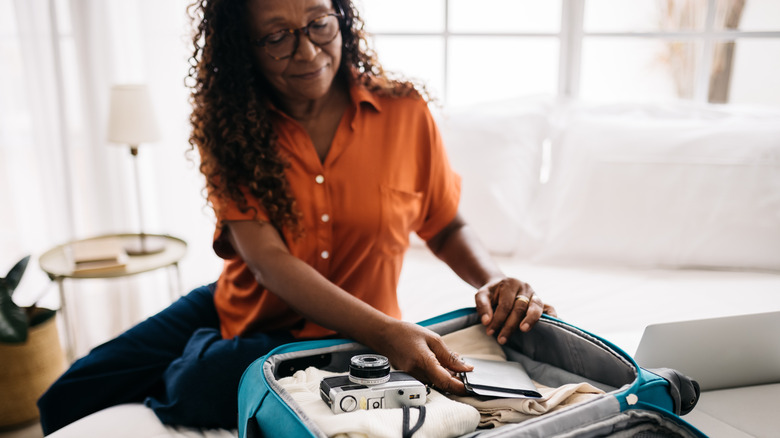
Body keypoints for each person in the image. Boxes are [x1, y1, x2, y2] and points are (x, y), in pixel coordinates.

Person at [37, 0, 556, 433]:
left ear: (341, 19)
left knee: (194, 390)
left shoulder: (404, 111)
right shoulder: (232, 126)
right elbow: (266, 262)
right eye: (277, 37)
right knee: (67, 395)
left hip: (346, 331)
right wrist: (391, 333)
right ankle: (207, 351)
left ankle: (202, 361)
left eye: (317, 24)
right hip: (238, 304)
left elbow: (445, 224)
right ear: (246, 47)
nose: (307, 51)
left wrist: (492, 280)